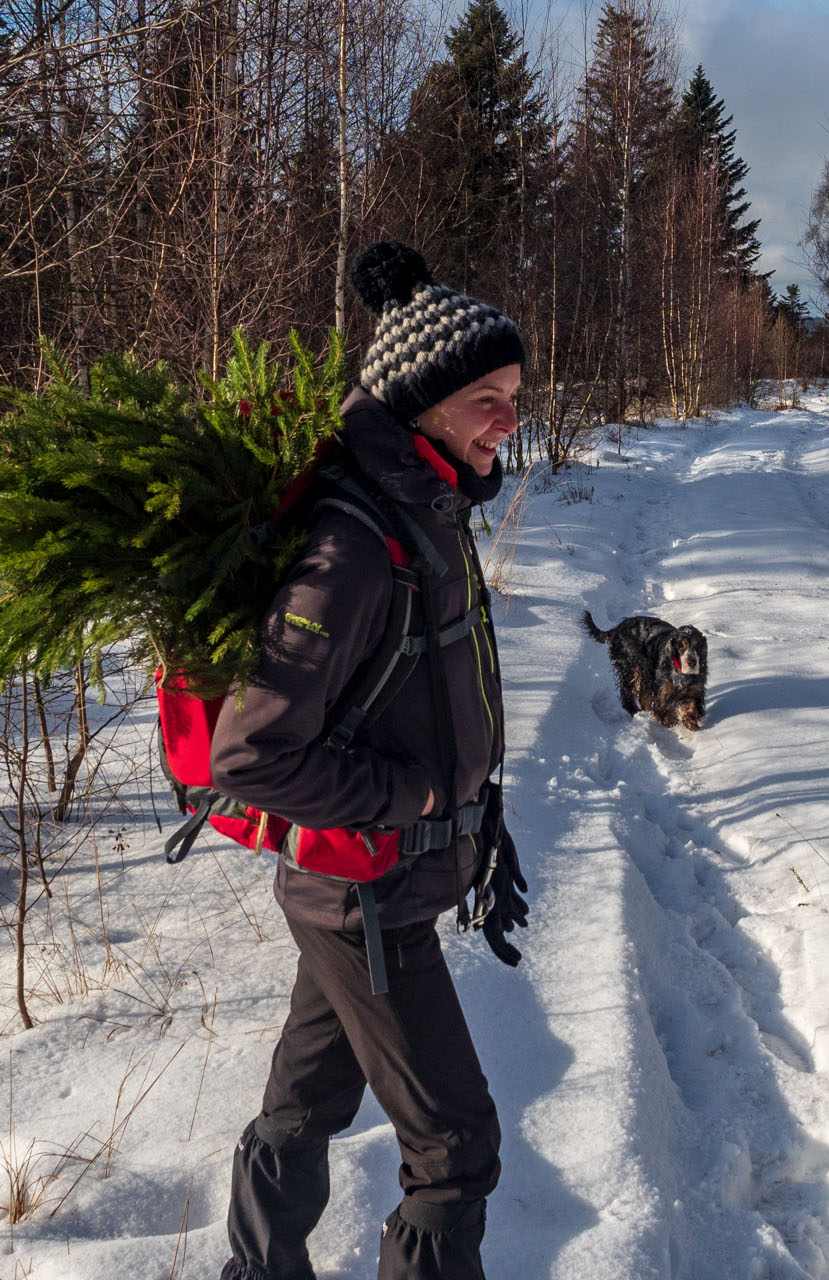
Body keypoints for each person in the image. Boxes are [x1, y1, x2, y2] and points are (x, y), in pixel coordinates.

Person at [211, 240, 529, 1280]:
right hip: (365, 894)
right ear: (424, 404)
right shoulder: (353, 549)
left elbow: (420, 698)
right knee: (454, 1150)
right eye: (487, 397)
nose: (509, 418)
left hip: (373, 883)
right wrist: (415, 795)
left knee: (306, 1102)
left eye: (516, 395)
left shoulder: (426, 508)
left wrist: (473, 810)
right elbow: (250, 754)